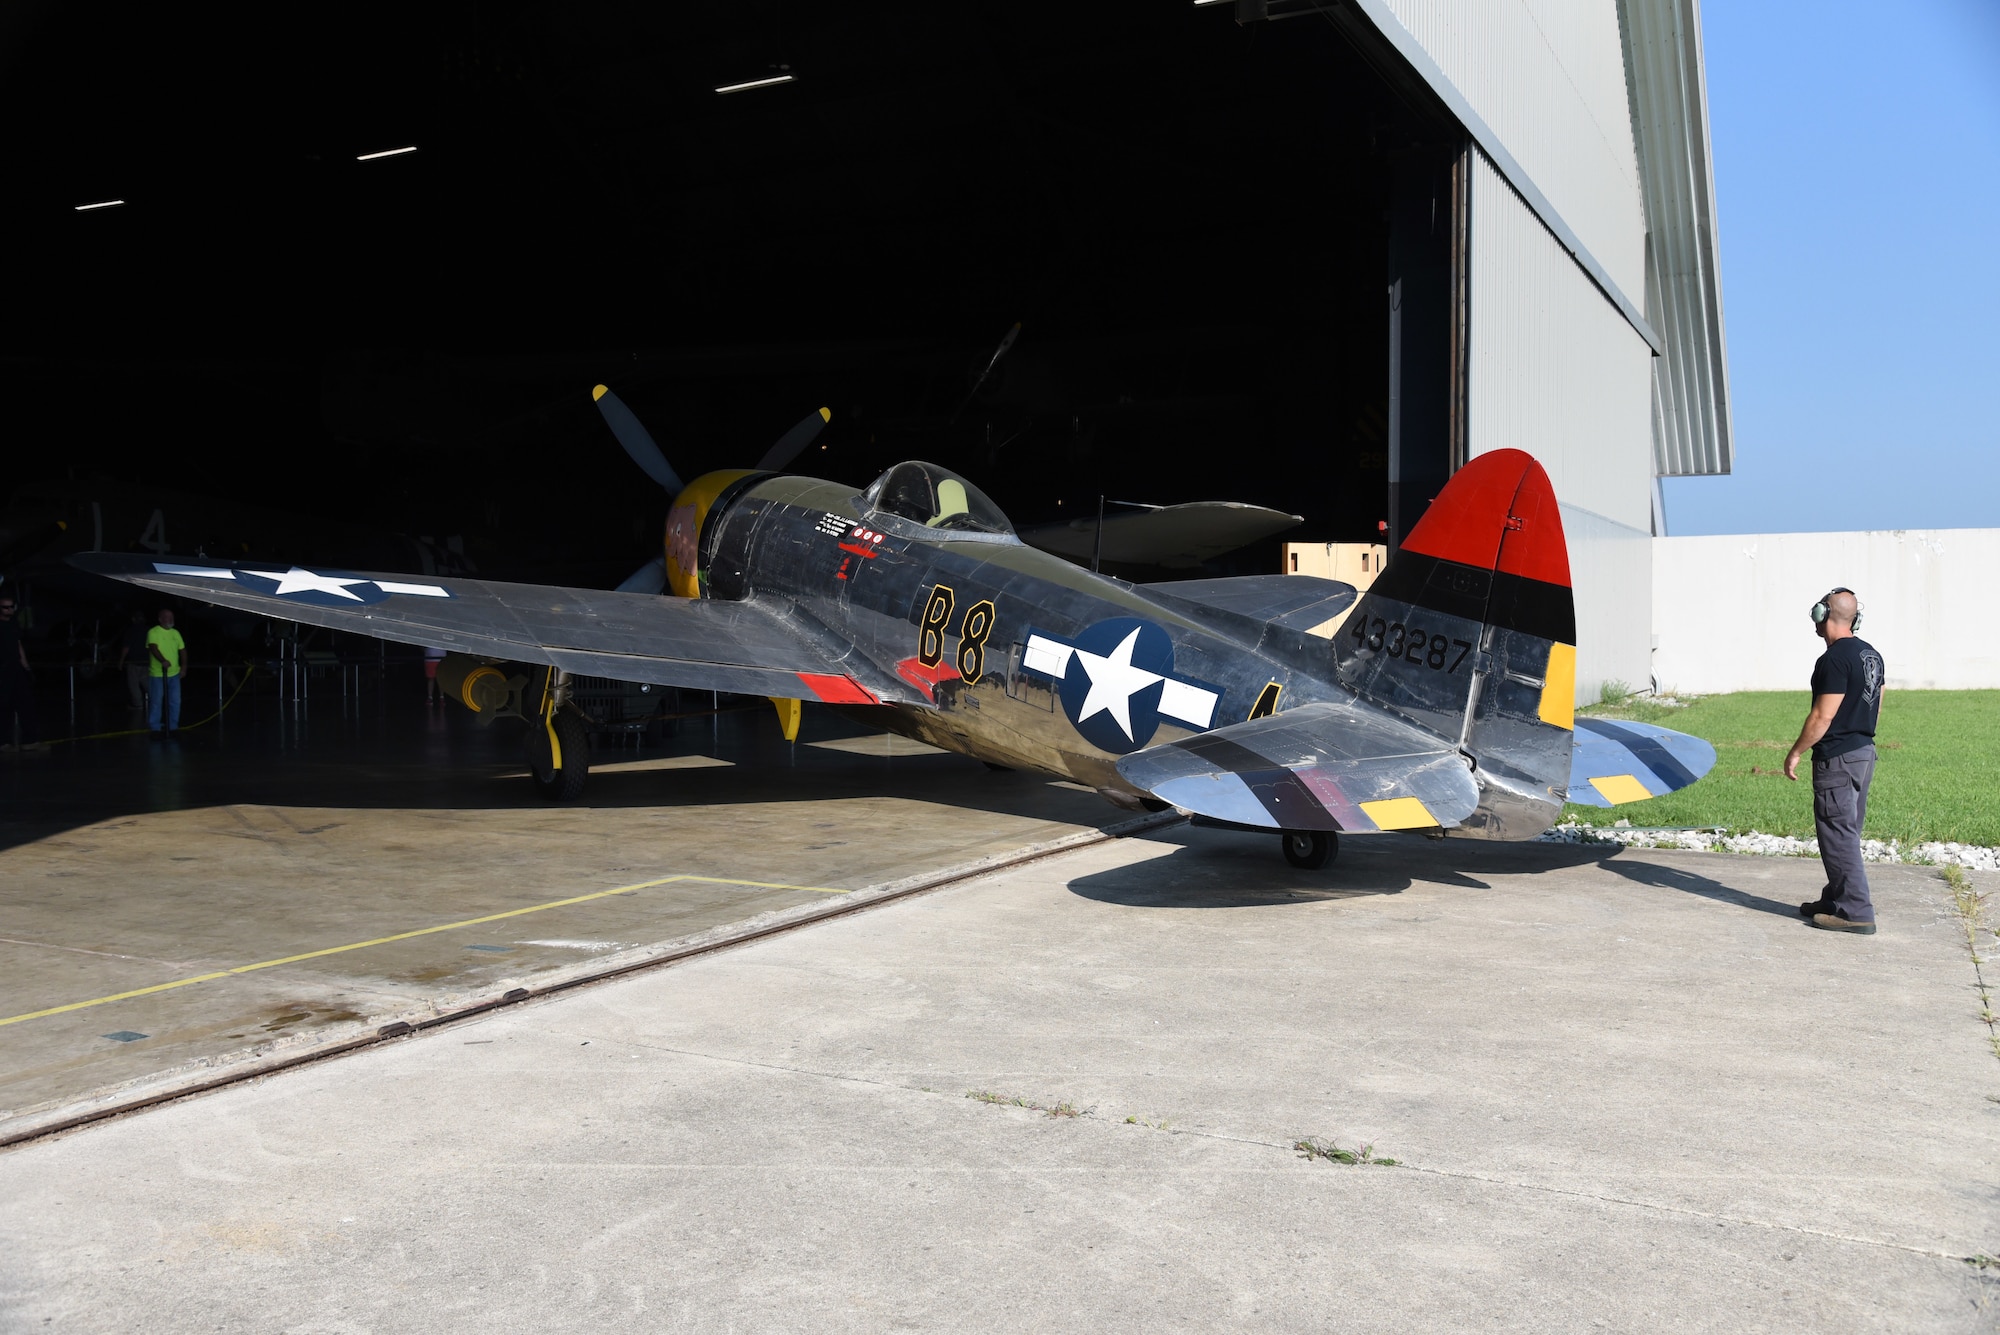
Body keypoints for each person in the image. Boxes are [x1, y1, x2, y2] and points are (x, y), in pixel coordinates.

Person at [1783, 588, 1884, 935]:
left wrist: (1796, 751)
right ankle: (1836, 898)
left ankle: (1855, 910)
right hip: (1863, 752)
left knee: (1837, 833)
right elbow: (1878, 705)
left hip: (1838, 757)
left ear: (1822, 614)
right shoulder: (1872, 655)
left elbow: (1822, 717)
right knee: (1847, 829)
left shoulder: (1834, 659)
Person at [0, 592, 45, 752]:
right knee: (5, 707)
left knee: (26, 704)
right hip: (3, 671)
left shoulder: (13, 624)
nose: (9, 610)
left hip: (16, 668)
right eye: (5, 608)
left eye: (12, 607)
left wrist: (26, 667)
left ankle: (30, 740)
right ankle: (3, 742)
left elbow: (18, 645)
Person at [145, 607, 188, 737]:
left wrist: (184, 667)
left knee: (175, 701)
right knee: (156, 701)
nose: (170, 620)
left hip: (174, 674)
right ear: (160, 619)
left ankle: (173, 726)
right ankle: (155, 728)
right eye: (167, 617)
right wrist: (163, 660)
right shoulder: (153, 632)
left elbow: (183, 650)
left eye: (172, 617)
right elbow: (153, 647)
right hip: (158, 673)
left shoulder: (176, 633)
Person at [114, 610, 149, 710]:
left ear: (133, 619)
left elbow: (126, 647)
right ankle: (156, 699)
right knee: (145, 680)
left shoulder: (131, 631)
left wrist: (121, 661)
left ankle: (138, 704)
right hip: (147, 661)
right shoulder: (149, 630)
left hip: (134, 661)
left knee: (133, 684)